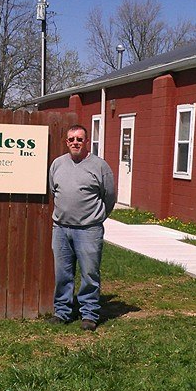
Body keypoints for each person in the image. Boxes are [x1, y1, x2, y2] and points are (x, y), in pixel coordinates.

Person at [48, 124, 116, 331]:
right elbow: (53, 191)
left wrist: (96, 218)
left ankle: (89, 314)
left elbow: (109, 197)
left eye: (79, 139)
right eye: (71, 139)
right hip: (61, 229)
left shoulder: (99, 166)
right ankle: (62, 312)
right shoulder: (57, 164)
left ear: (86, 141)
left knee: (89, 274)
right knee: (62, 274)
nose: (75, 142)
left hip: (89, 230)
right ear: (66, 142)